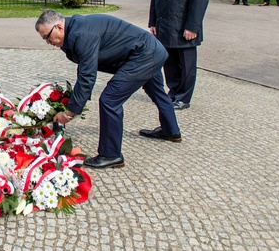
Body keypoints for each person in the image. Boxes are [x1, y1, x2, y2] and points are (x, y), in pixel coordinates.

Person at [37, 10, 182, 169]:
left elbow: (87, 76)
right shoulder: (73, 31)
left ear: (58, 27)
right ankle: (171, 130)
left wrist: (69, 113)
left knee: (109, 100)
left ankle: (111, 155)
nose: (48, 42)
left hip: (143, 55)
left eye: (47, 36)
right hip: (148, 51)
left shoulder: (81, 34)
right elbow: (84, 69)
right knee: (156, 92)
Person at [149, 0, 209, 111]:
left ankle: (183, 97)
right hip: (164, 24)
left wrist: (193, 26)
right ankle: (173, 92)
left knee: (186, 64)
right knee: (169, 62)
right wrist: (153, 21)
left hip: (184, 25)